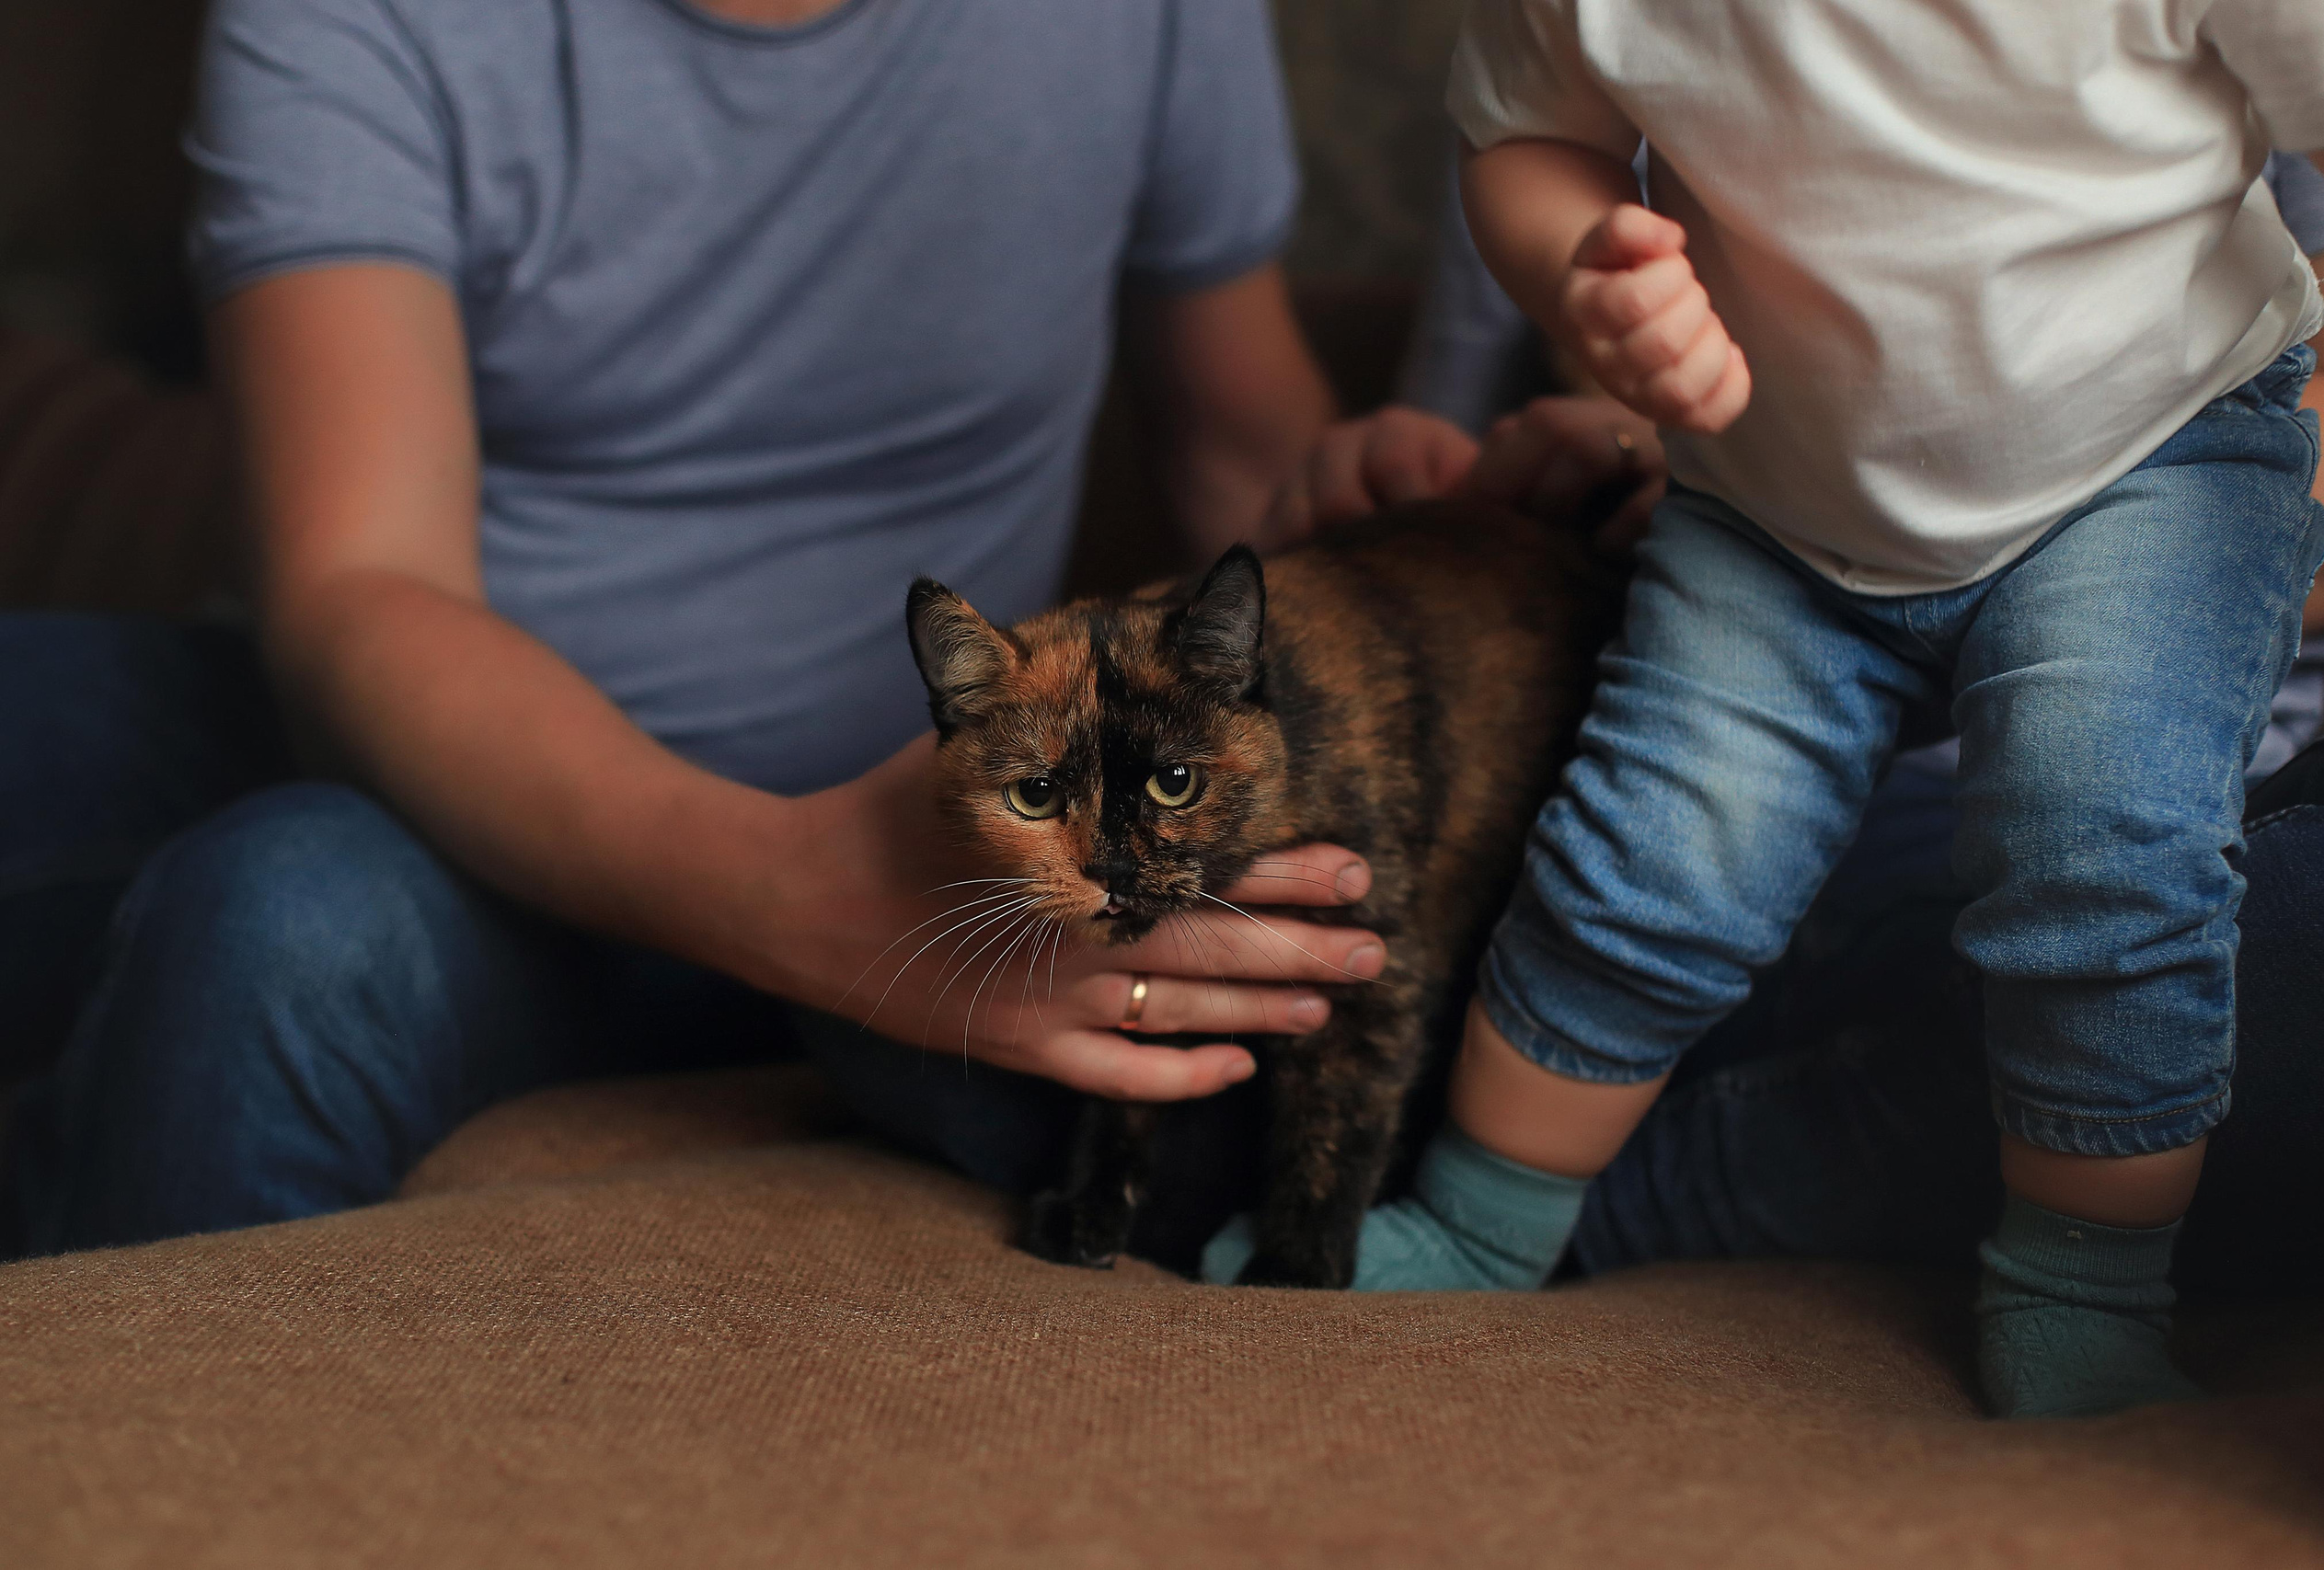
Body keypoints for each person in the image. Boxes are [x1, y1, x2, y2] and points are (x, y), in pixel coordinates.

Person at [0, 0, 1497, 1258]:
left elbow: (1240, 458)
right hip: (490, 794)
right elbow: (360, 588)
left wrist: (1453, 529)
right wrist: (780, 888)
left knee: (276, 926)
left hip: (938, 834)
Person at [1202, 4, 2324, 1419]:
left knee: (2097, 838)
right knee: (1646, 857)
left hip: (2151, 453)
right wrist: (1583, 272)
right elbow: (1528, 137)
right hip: (1773, 503)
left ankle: (2082, 1286)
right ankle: (1484, 1219)